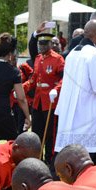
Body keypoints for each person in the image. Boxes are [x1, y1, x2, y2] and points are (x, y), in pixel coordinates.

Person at [55, 20, 96, 164]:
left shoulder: (71, 54)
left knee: (70, 155)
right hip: (88, 109)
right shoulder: (95, 54)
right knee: (88, 157)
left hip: (70, 111)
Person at [24, 33, 64, 165]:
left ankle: (50, 159)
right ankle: (37, 158)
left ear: (50, 44)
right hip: (38, 102)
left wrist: (56, 90)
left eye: (44, 44)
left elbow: (63, 79)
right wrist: (20, 89)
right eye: (40, 44)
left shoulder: (58, 59)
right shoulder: (38, 59)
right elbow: (33, 79)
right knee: (37, 132)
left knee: (50, 134)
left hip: (51, 101)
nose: (41, 47)